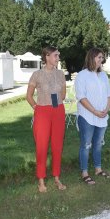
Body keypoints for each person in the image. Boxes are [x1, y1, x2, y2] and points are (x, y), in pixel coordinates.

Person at [26, 46, 66, 193]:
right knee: (42, 147)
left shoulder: (61, 74)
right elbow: (28, 96)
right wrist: (37, 107)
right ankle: (41, 180)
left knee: (57, 146)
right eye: (56, 55)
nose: (58, 58)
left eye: (58, 55)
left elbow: (63, 94)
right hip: (42, 112)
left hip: (58, 111)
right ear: (47, 56)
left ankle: (56, 177)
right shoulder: (37, 74)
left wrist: (55, 103)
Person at [75, 48, 110, 185]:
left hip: (102, 116)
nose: (101, 60)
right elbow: (81, 97)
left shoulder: (104, 76)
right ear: (91, 58)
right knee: (86, 144)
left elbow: (109, 94)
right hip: (87, 117)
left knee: (98, 144)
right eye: (99, 57)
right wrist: (95, 111)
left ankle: (98, 169)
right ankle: (84, 172)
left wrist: (106, 110)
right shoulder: (82, 75)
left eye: (102, 58)